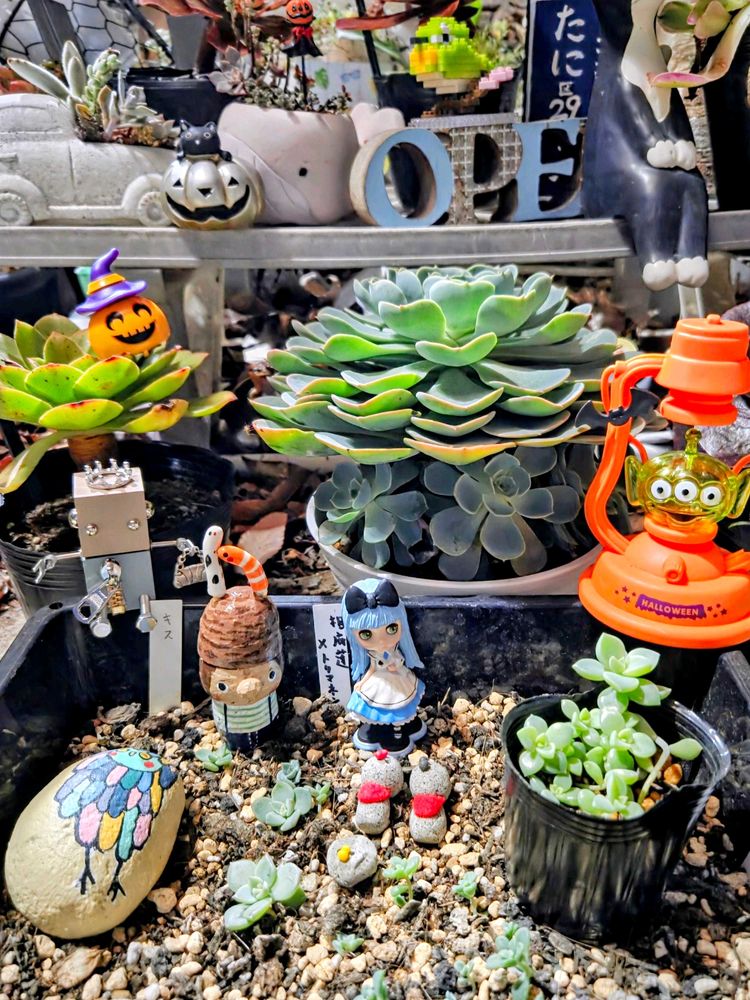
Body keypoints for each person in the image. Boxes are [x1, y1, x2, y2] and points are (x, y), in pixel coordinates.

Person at [342, 578, 426, 756]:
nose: (381, 642)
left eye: (391, 629)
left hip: (397, 679)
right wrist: (362, 682)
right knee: (374, 705)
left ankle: (398, 733)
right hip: (378, 681)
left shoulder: (394, 650)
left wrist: (396, 665)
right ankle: (377, 729)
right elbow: (372, 669)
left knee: (400, 706)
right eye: (366, 634)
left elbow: (399, 660)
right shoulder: (373, 655)